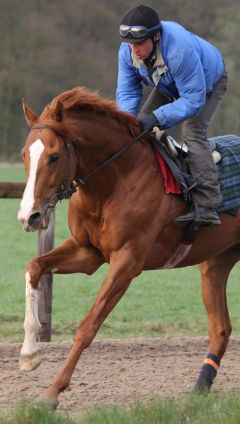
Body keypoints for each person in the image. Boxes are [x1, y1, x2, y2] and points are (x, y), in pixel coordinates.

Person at [116, 4, 228, 227]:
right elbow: (127, 92)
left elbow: (193, 99)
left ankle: (207, 203)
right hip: (170, 83)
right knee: (139, 126)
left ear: (156, 36)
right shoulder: (127, 52)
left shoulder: (178, 49)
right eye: (131, 45)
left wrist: (158, 118)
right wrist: (125, 125)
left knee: (193, 132)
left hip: (207, 83)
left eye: (139, 43)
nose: (134, 50)